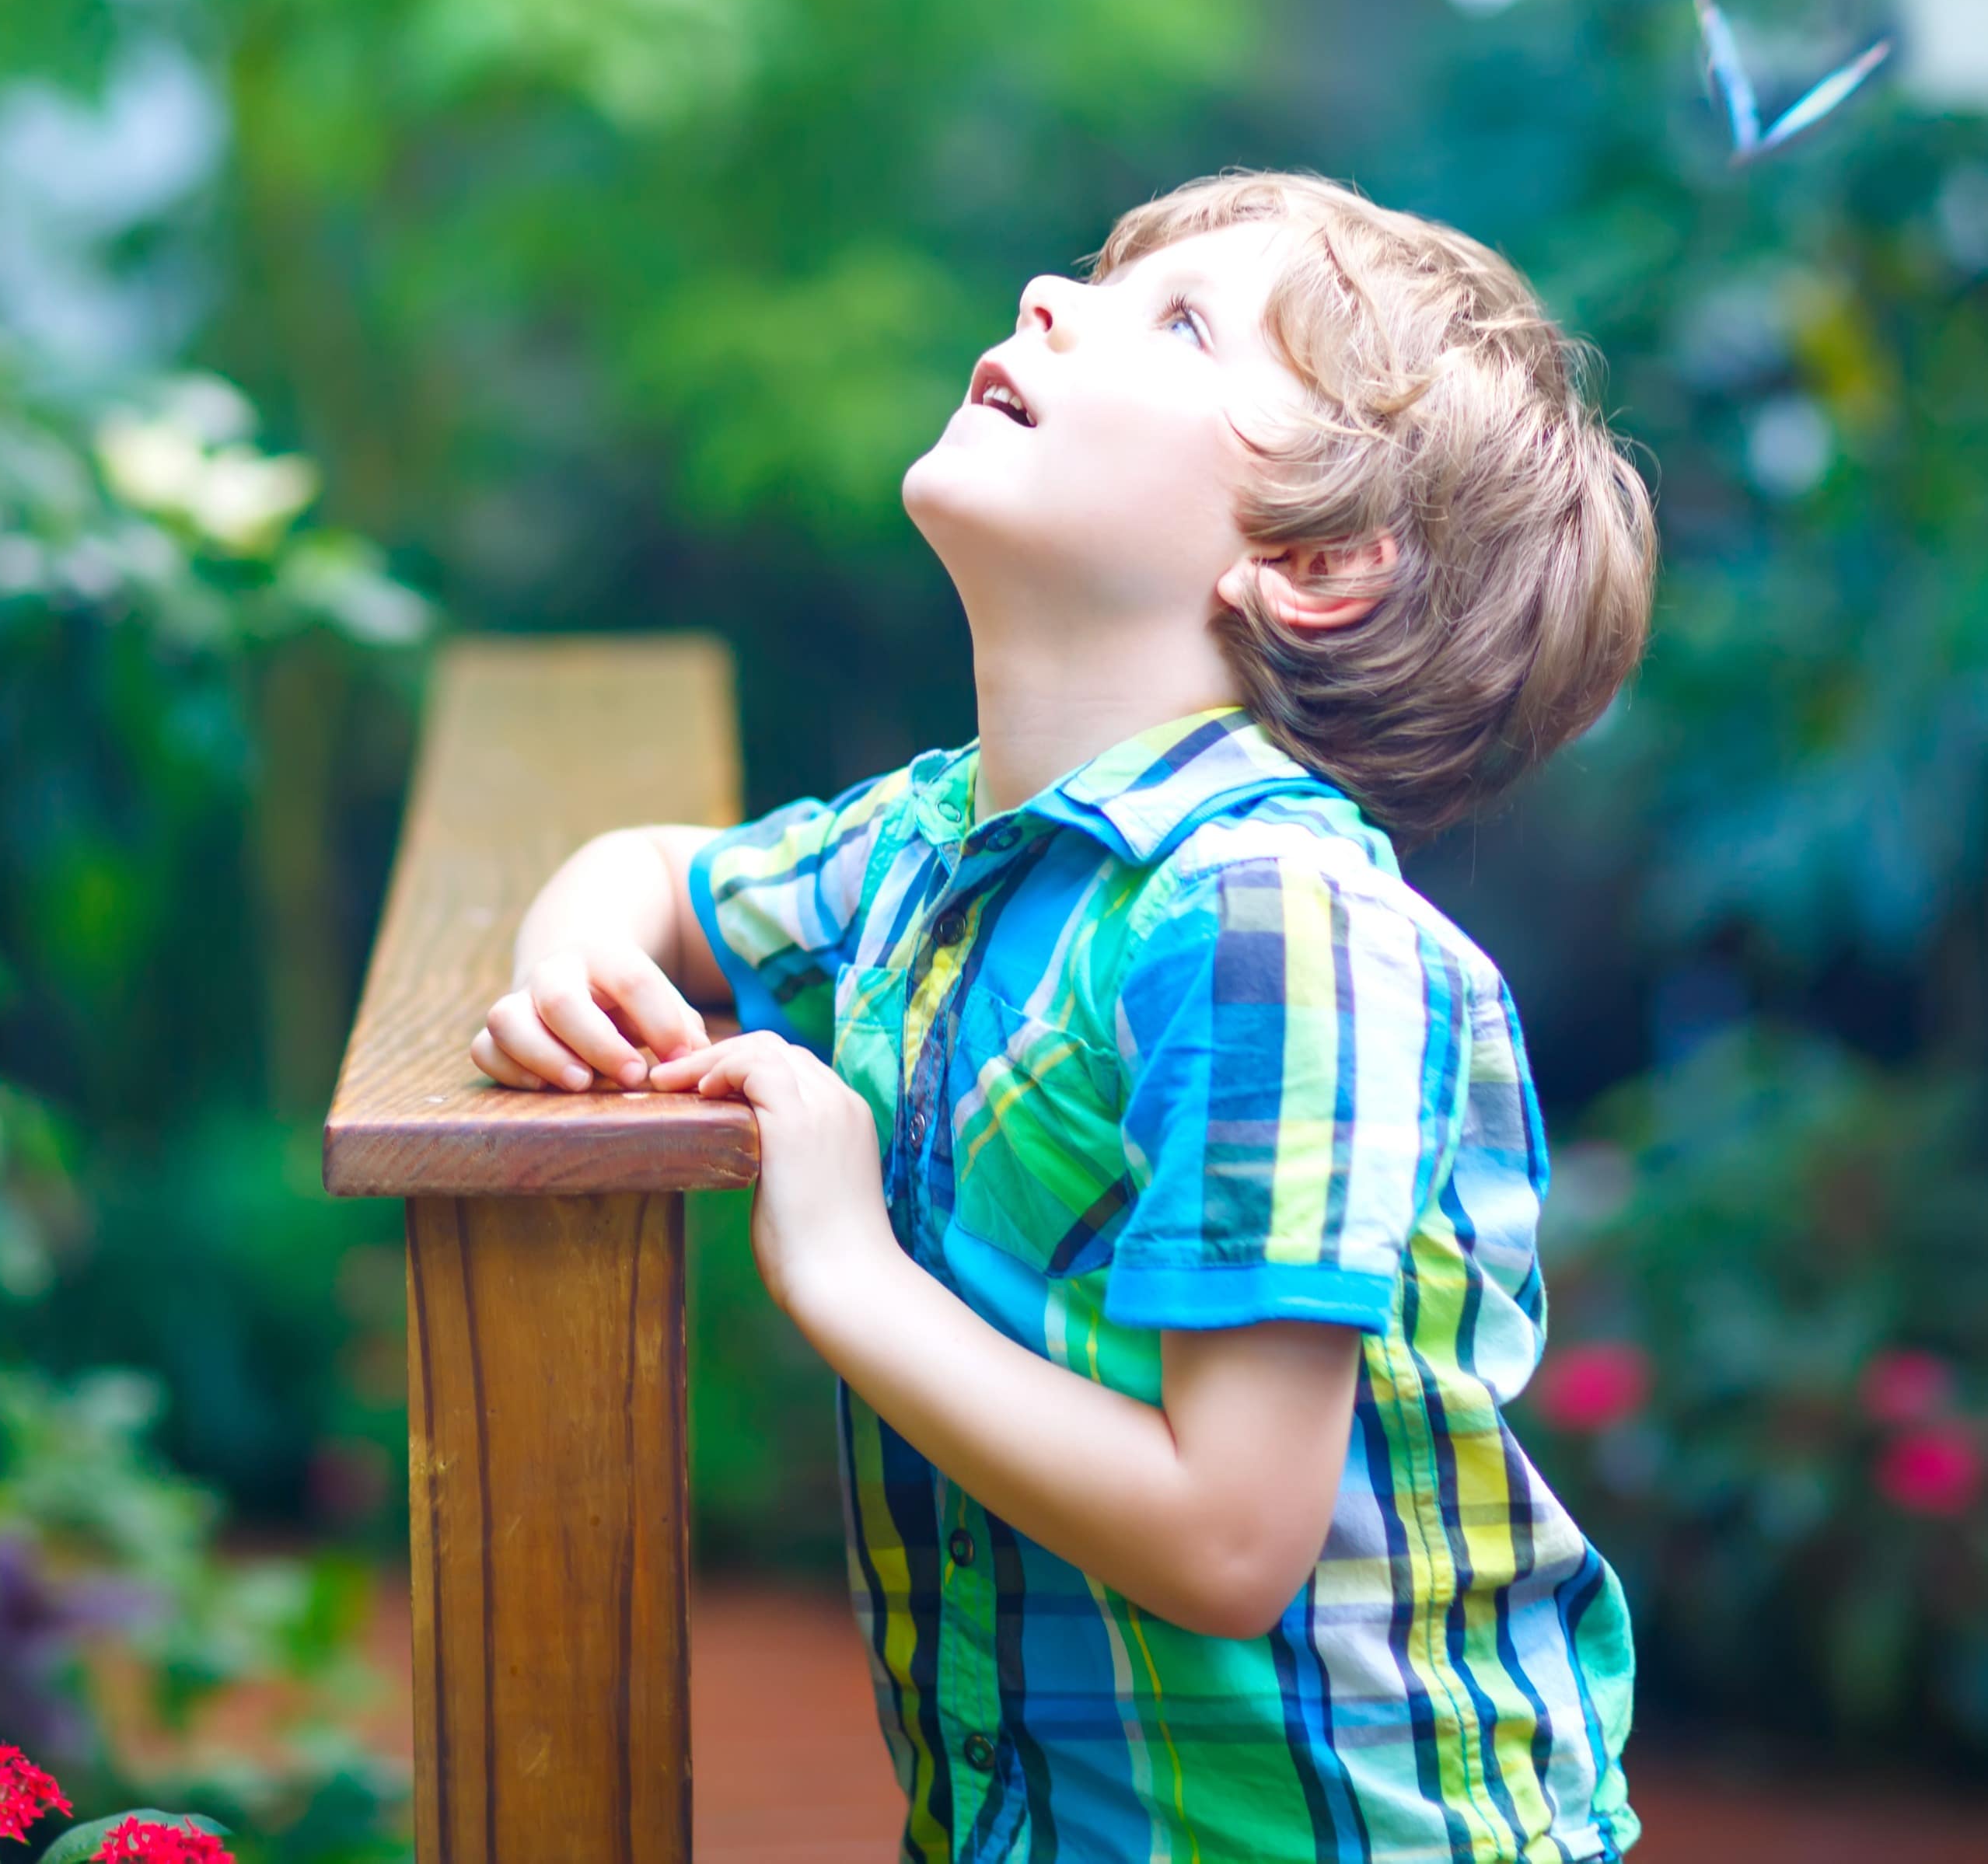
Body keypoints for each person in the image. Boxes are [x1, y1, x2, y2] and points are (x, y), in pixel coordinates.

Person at [470, 171, 1654, 1864]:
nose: (1042, 294)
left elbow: (1228, 1533)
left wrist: (842, 1260)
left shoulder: (1264, 918)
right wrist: (577, 959)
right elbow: (658, 869)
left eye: (1178, 323)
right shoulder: (936, 840)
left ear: (1309, 562)